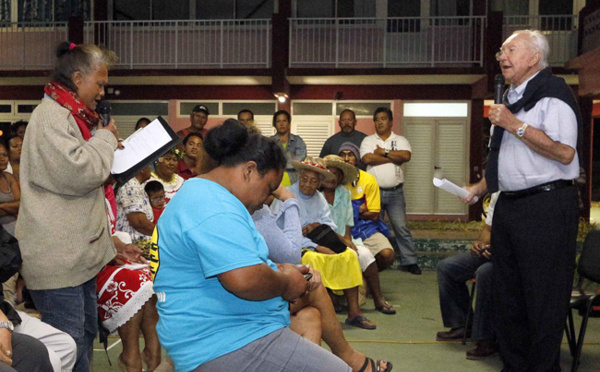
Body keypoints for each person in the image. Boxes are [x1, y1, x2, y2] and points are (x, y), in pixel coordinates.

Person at [151, 119, 351, 372]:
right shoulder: (215, 205)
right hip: (226, 340)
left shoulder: (205, 195)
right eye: (268, 187)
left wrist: (278, 269)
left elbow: (230, 265)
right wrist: (287, 282)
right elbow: (243, 279)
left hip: (226, 330)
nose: (266, 198)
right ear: (249, 170)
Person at [464, 30, 580, 371]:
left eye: (511, 49)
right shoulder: (511, 98)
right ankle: (514, 365)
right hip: (510, 207)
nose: (502, 56)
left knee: (542, 297)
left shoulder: (553, 93)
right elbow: (508, 160)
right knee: (509, 295)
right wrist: (480, 187)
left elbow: (564, 152)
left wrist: (514, 125)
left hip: (546, 208)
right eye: (501, 50)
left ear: (533, 58)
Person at [16, 41, 119, 372]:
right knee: (68, 347)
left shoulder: (71, 115)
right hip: (58, 260)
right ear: (78, 78)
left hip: (76, 257)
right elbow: (80, 172)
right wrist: (105, 139)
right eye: (99, 83)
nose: (103, 91)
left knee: (84, 336)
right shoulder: (50, 116)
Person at [253, 186, 393, 372]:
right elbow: (289, 254)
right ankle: (348, 356)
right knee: (313, 288)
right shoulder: (252, 208)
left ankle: (352, 318)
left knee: (310, 316)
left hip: (262, 284)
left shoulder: (257, 206)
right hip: (245, 303)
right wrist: (290, 200)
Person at [275, 157, 376, 330]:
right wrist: (315, 246)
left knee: (349, 256)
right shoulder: (287, 195)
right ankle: (322, 311)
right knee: (314, 259)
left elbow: (329, 224)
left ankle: (354, 313)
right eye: (304, 179)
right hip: (297, 245)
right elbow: (283, 231)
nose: (307, 184)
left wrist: (316, 226)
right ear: (299, 177)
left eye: (313, 181)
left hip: (320, 239)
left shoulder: (319, 198)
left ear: (320, 182)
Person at [98, 184, 160, 372]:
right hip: (90, 262)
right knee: (134, 282)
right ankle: (130, 354)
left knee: (149, 275)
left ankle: (152, 350)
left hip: (108, 256)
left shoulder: (107, 189)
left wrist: (121, 248)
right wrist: (109, 253)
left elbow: (109, 233)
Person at [322, 154, 395, 315]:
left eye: (336, 174)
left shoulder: (344, 193)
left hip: (345, 238)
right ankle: (335, 298)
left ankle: (378, 299)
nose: (332, 178)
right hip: (323, 242)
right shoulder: (316, 196)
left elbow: (348, 222)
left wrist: (348, 241)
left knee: (365, 255)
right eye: (329, 173)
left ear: (341, 177)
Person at [436, 193, 499, 360]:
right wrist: (480, 244)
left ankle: (486, 338)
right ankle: (462, 324)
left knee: (485, 273)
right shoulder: (497, 195)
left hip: (509, 257)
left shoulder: (524, 196)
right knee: (447, 267)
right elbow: (488, 229)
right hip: (490, 252)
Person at [360, 107, 421, 275]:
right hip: (374, 193)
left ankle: (410, 261)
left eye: (383, 118)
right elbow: (367, 158)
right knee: (371, 226)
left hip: (396, 193)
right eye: (377, 119)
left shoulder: (400, 139)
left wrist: (384, 152)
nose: (380, 122)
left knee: (401, 227)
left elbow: (406, 156)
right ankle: (374, 261)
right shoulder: (368, 141)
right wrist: (394, 157)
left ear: (391, 122)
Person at [338, 143, 396, 273]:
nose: (346, 159)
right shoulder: (335, 180)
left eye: (350, 155)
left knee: (387, 254)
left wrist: (350, 211)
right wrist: (358, 209)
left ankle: (367, 277)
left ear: (357, 159)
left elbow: (374, 215)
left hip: (365, 227)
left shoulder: (368, 180)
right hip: (340, 228)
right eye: (343, 155)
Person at [116, 166, 155, 242]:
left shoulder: (136, 185)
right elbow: (140, 223)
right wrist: (162, 234)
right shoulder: (131, 185)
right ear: (142, 170)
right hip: (134, 244)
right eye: (148, 166)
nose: (150, 168)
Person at [270, 110, 306, 186]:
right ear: (275, 124)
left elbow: (300, 161)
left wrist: (278, 162)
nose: (281, 124)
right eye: (278, 121)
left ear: (289, 123)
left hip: (295, 182)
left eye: (284, 121)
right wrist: (291, 156)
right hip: (274, 184)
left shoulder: (298, 141)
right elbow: (268, 162)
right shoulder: (270, 141)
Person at [0, 142, 19, 237]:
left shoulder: (9, 178)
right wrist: (11, 207)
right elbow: (15, 205)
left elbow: (20, 204)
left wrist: (1, 206)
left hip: (16, 228)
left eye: (5, 155)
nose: (2, 158)